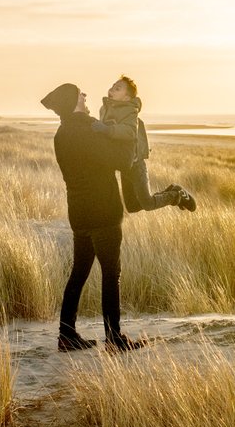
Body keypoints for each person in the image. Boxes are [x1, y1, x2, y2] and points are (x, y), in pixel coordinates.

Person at [40, 82, 146, 353]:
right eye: (80, 94)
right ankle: (114, 339)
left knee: (79, 272)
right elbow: (122, 161)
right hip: (103, 211)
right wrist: (132, 132)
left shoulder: (61, 133)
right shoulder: (86, 129)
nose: (85, 96)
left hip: (79, 214)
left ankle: (67, 335)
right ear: (73, 102)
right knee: (111, 274)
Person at [98, 76, 196, 214]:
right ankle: (172, 191)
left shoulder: (130, 110)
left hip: (136, 164)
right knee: (132, 207)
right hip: (124, 164)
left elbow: (130, 131)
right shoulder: (104, 109)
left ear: (126, 98)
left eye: (117, 88)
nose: (112, 90)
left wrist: (107, 129)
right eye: (112, 86)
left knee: (148, 204)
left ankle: (177, 194)